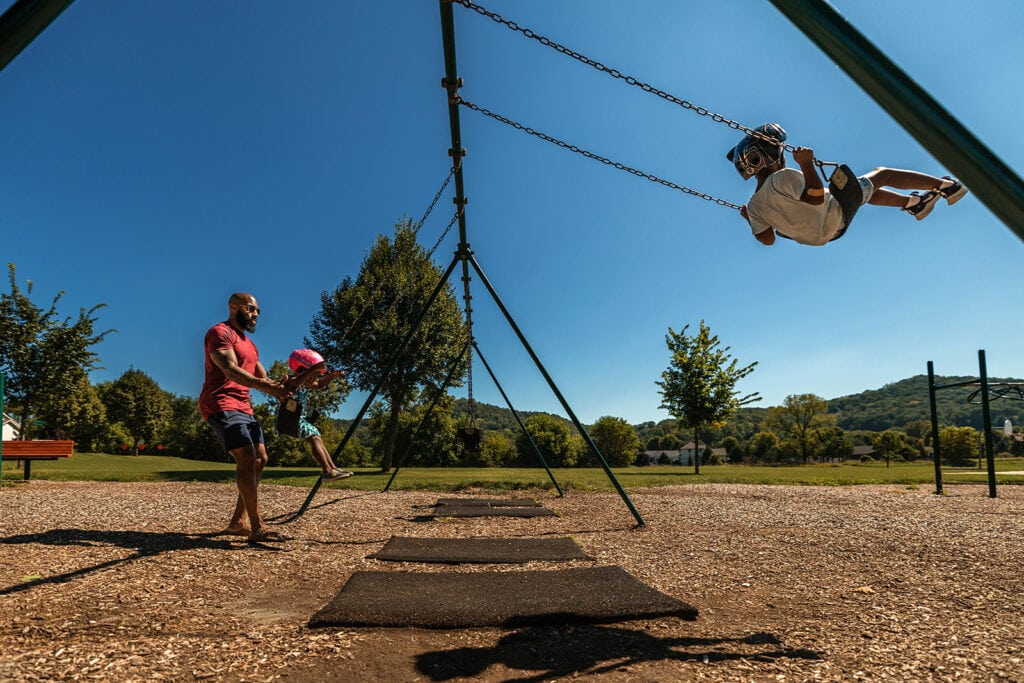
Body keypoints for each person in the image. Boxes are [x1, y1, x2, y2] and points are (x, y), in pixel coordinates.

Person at [729, 123, 968, 247]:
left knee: (863, 190)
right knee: (882, 174)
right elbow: (815, 197)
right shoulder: (782, 178)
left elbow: (767, 240)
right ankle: (947, 187)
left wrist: (750, 218)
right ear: (773, 155)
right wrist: (806, 164)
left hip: (826, 236)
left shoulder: (754, 206)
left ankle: (914, 204)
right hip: (834, 213)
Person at [199, 292, 292, 543]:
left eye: (257, 311)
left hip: (243, 406)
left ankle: (238, 521)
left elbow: (264, 378)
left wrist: (283, 386)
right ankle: (257, 526)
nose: (255, 315)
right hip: (220, 402)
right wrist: (270, 388)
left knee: (260, 458)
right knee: (247, 457)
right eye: (251, 309)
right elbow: (229, 369)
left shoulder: (249, 344)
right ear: (234, 306)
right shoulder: (220, 333)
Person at [279, 348, 353, 481]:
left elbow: (319, 384)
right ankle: (327, 471)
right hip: (288, 420)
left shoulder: (306, 385)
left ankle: (332, 468)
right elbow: (296, 382)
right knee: (314, 438)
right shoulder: (291, 380)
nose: (315, 378)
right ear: (303, 370)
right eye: (313, 374)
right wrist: (312, 369)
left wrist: (331, 376)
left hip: (297, 420)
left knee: (317, 437)